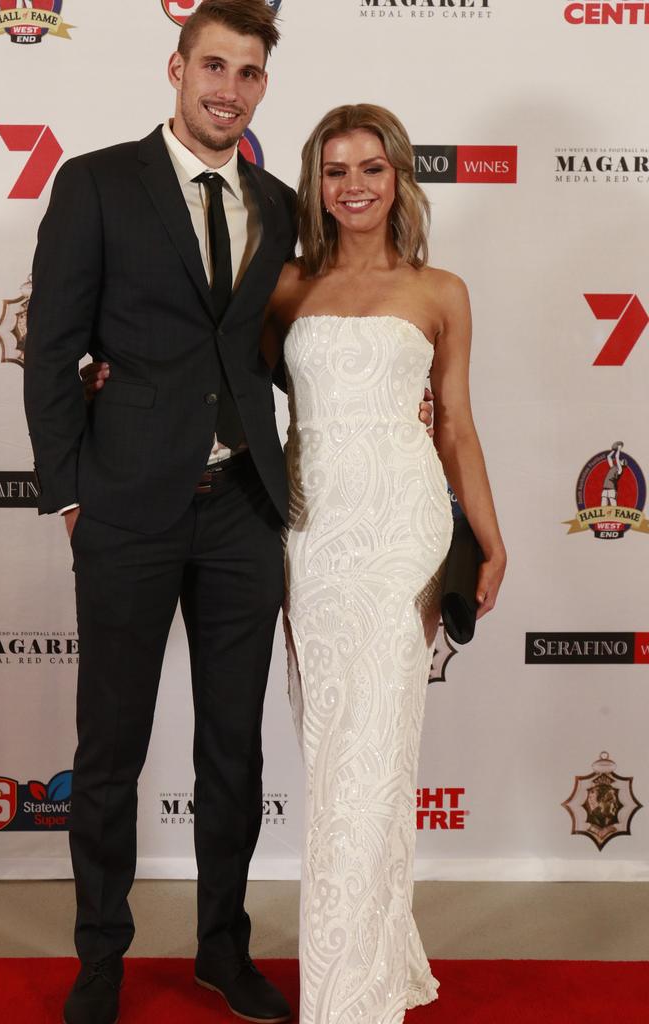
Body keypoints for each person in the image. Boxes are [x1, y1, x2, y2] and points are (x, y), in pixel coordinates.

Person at [24, 4, 296, 1023]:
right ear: (176, 68)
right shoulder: (95, 182)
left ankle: (223, 950)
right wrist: (71, 492)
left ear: (265, 86)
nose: (229, 87)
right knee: (110, 748)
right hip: (128, 507)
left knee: (235, 748)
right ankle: (100, 957)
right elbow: (52, 349)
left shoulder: (277, 201)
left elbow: (271, 349)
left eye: (250, 72)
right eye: (214, 65)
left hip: (243, 514)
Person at [260, 103, 506, 1024]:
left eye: (371, 167)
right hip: (313, 534)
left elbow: (458, 426)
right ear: (315, 185)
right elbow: (216, 383)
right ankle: (369, 956)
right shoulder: (285, 287)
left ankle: (348, 994)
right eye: (335, 170)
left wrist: (487, 532)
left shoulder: (441, 290)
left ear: (399, 176)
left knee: (380, 754)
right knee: (334, 757)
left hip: (403, 530)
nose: (353, 186)